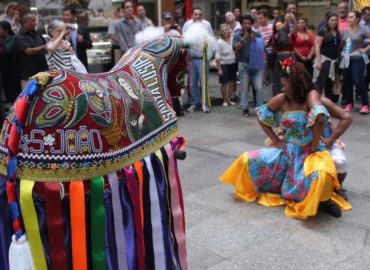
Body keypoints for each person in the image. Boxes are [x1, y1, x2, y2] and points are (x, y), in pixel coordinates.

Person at [220, 59, 351, 219]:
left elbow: (326, 119)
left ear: (295, 84)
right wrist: (276, 140)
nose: (282, 88)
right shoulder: (282, 99)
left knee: (320, 175)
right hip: (287, 151)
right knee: (247, 159)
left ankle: (324, 200)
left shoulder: (313, 97)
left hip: (309, 152)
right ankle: (298, 192)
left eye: (284, 85)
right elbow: (262, 117)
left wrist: (326, 141)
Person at [321, 96, 352, 201]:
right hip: (303, 144)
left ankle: (338, 186)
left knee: (339, 161)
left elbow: (346, 118)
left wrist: (333, 138)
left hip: (326, 142)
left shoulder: (322, 101)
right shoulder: (291, 99)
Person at [183, 7, 213, 113]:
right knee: (192, 83)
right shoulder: (187, 25)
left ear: (202, 16)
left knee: (203, 82)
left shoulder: (207, 25)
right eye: (196, 14)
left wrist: (209, 55)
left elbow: (211, 40)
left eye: (200, 14)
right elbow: (183, 40)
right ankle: (194, 103)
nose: (198, 16)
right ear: (192, 15)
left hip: (203, 58)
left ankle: (205, 104)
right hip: (191, 58)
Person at [233, 15, 264, 117]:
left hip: (256, 65)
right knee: (244, 88)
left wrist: (255, 40)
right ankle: (245, 108)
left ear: (251, 24)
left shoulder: (257, 34)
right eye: (244, 23)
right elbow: (236, 48)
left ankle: (259, 108)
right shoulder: (237, 35)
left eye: (249, 23)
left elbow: (261, 49)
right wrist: (243, 39)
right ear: (241, 24)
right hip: (244, 65)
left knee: (258, 87)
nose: (247, 25)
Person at [340, 11, 370, 114]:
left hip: (357, 58)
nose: (349, 19)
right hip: (345, 58)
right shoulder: (345, 30)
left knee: (358, 80)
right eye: (348, 17)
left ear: (357, 19)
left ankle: (365, 104)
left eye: (352, 17)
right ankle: (349, 103)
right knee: (347, 82)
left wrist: (365, 49)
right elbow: (342, 43)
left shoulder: (363, 30)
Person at [14, 13, 48, 89]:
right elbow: (28, 51)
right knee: (29, 98)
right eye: (33, 21)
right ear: (26, 22)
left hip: (42, 72)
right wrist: (43, 47)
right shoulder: (19, 36)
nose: (35, 23)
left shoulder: (37, 34)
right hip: (29, 75)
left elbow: (46, 46)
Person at [314, 12, 341, 103]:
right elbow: (317, 46)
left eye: (336, 20)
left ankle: (328, 103)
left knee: (330, 82)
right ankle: (316, 102)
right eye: (332, 20)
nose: (334, 22)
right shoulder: (322, 31)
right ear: (328, 21)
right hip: (324, 59)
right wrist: (318, 60)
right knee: (321, 81)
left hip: (334, 61)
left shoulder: (337, 32)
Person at [63, 6, 92, 71]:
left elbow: (90, 45)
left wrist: (82, 41)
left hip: (81, 63)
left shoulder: (83, 28)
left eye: (67, 15)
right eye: (64, 15)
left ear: (73, 16)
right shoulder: (61, 30)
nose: (65, 17)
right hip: (67, 65)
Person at [0, 20, 21, 103]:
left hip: (13, 72)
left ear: (6, 30)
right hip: (3, 72)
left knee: (14, 94)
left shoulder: (14, 39)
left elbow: (6, 51)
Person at [216, 23, 236, 107]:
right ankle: (224, 100)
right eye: (223, 30)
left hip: (233, 63)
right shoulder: (219, 42)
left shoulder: (233, 38)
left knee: (232, 82)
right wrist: (219, 68)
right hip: (224, 64)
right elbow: (217, 56)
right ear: (220, 32)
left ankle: (229, 99)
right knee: (224, 83)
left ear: (229, 30)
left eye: (226, 29)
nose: (225, 31)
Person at [272, 19, 293, 95]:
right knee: (282, 75)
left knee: (285, 75)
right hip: (283, 57)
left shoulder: (288, 35)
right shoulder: (277, 36)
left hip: (285, 57)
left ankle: (283, 91)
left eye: (280, 25)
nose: (279, 27)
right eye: (277, 26)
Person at [258, 9, 275, 86]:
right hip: (262, 55)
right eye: (258, 18)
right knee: (262, 76)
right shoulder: (257, 30)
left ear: (266, 17)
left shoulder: (272, 27)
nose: (259, 20)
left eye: (261, 18)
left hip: (273, 54)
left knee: (273, 74)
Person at [360, 6, 370, 93]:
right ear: (363, 14)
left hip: (369, 51)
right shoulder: (358, 24)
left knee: (369, 73)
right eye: (368, 14)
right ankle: (359, 91)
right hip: (361, 52)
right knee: (360, 72)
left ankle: (365, 87)